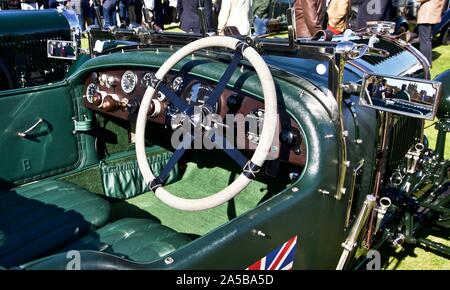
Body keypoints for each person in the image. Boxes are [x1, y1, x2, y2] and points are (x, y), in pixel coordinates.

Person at [417, 0, 446, 67]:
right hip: (433, 14)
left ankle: (424, 65)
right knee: (427, 41)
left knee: (424, 42)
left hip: (426, 16)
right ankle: (428, 63)